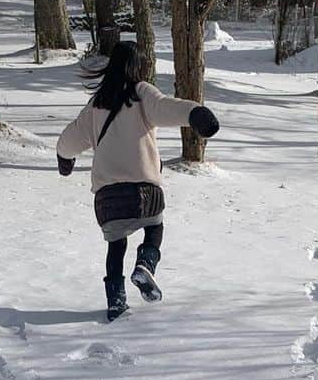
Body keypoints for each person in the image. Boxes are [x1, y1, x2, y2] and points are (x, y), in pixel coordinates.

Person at [57, 41, 220, 322]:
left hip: (107, 200)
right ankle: (145, 264)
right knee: (154, 227)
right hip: (146, 193)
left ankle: (116, 301)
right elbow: (166, 107)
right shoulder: (142, 93)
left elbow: (69, 140)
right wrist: (195, 113)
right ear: (138, 66)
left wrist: (64, 159)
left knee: (116, 245)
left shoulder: (96, 105)